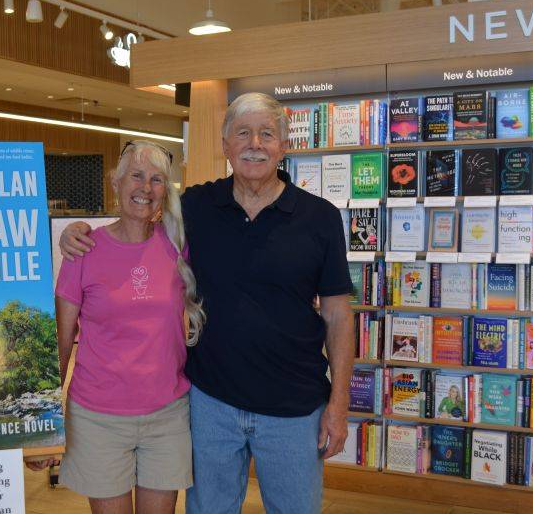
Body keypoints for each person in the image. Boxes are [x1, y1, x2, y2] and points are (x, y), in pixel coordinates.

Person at [61, 92, 355, 513]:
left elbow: (338, 315)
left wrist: (339, 406)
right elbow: (134, 223)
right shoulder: (195, 208)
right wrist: (75, 232)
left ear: (284, 145)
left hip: (294, 410)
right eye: (243, 133)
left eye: (267, 134)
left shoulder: (321, 218)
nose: (255, 143)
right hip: (211, 406)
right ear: (225, 145)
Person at [31, 140, 204, 514]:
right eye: (136, 176)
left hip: (168, 415)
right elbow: (60, 343)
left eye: (157, 180)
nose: (146, 188)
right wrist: (42, 426)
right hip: (99, 417)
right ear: (115, 182)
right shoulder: (83, 250)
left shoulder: (178, 246)